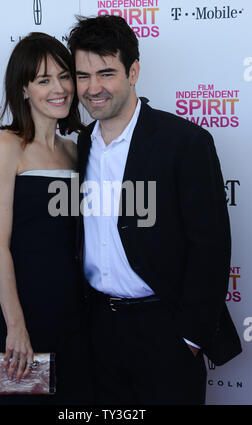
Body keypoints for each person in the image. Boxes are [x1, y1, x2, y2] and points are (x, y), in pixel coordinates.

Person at [66, 15, 242, 405]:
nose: (93, 88)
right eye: (82, 76)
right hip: (97, 329)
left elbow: (210, 247)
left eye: (106, 73)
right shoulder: (77, 147)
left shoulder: (184, 143)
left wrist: (190, 339)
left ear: (134, 71)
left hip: (166, 332)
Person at [0, 32, 93, 405]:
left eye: (64, 76)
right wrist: (16, 329)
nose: (59, 88)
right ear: (23, 89)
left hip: (73, 318)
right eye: (43, 80)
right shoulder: (6, 146)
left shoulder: (76, 152)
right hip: (17, 316)